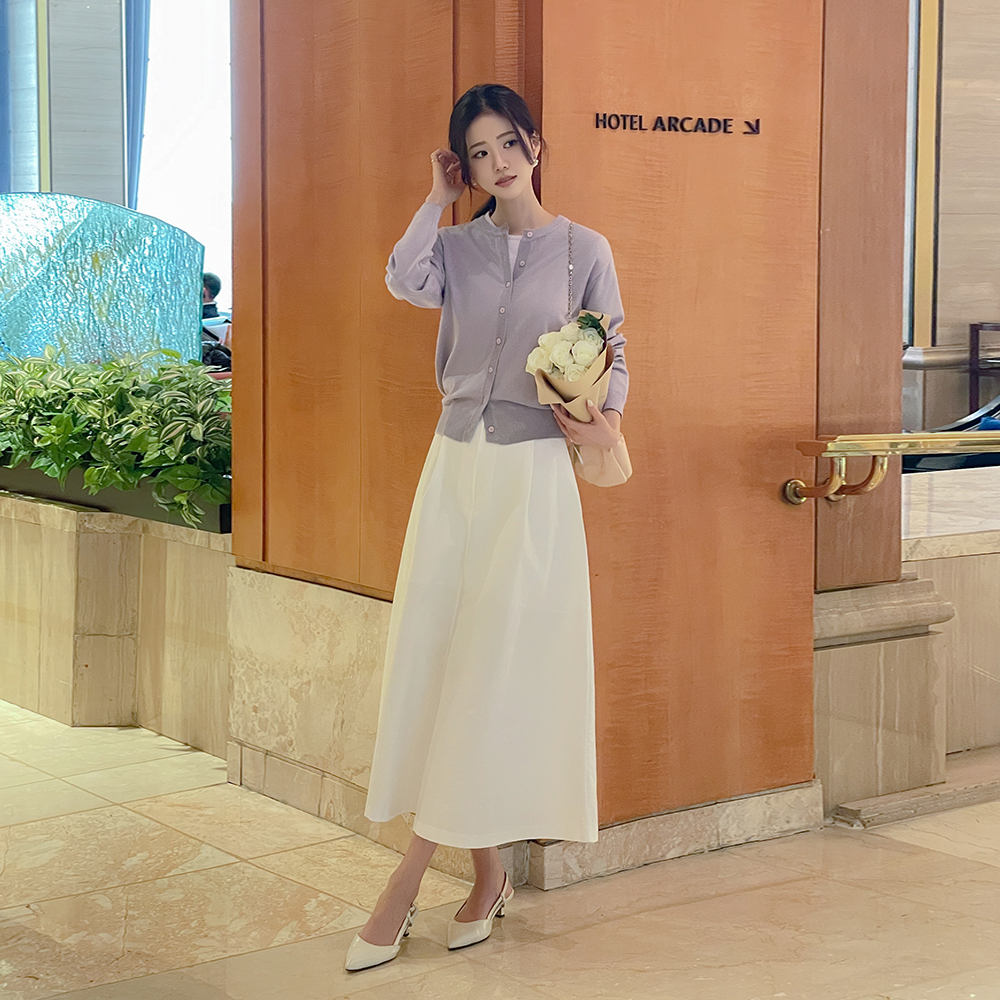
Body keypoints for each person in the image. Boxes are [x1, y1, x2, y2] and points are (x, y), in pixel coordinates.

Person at [345, 83, 629, 973]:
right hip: (455, 469)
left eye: (508, 143)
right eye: (477, 153)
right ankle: (488, 874)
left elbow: (614, 355)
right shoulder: (454, 246)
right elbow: (402, 279)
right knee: (444, 657)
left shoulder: (583, 249)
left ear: (534, 145)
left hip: (533, 479)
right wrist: (434, 201)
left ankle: (405, 882)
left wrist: (598, 416)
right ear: (463, 166)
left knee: (490, 670)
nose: (497, 163)